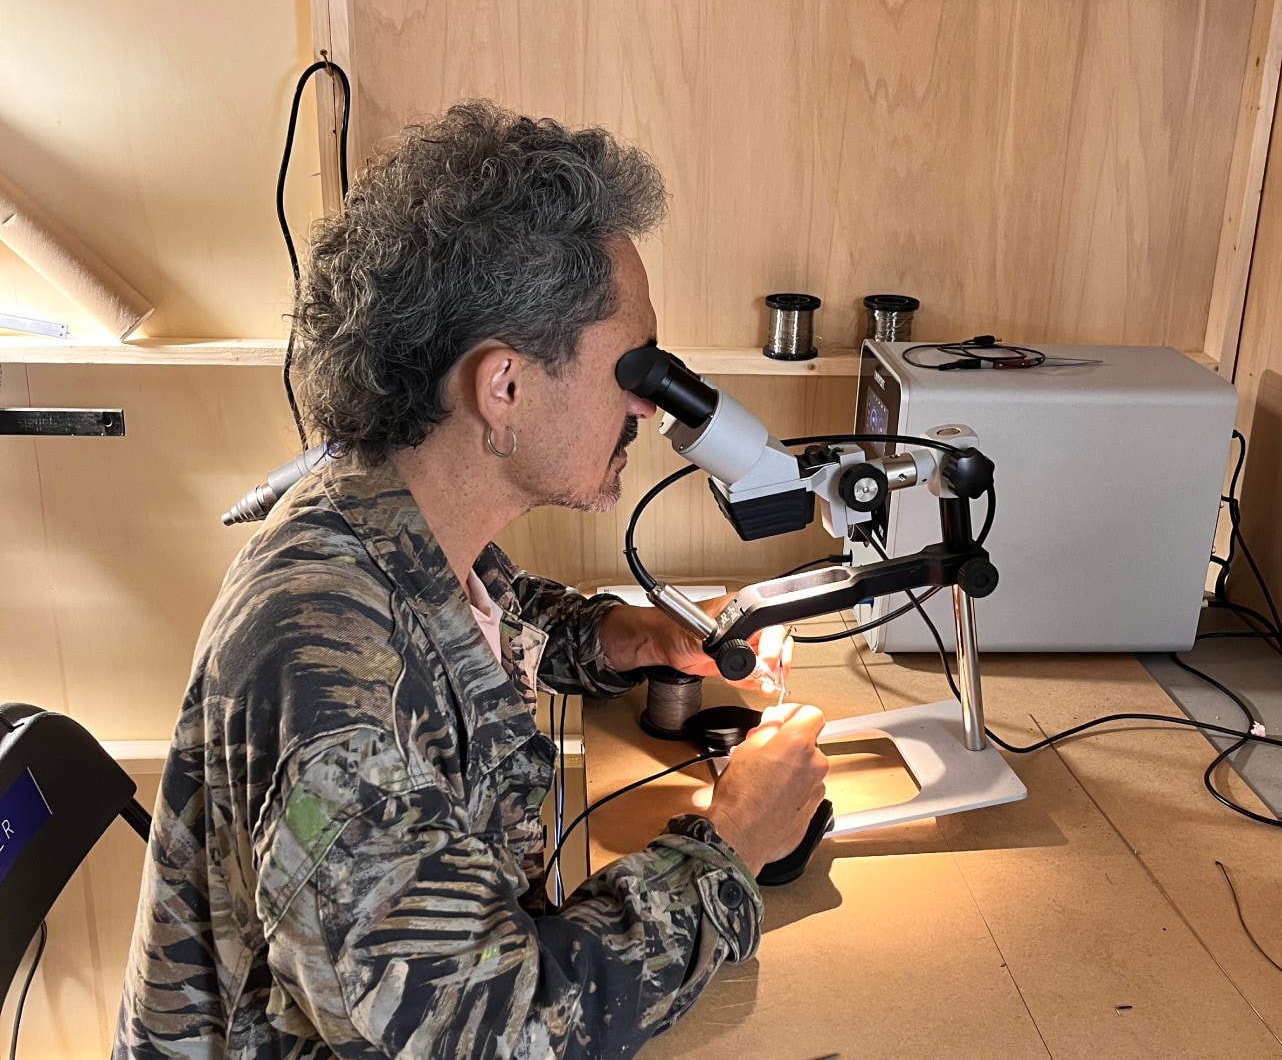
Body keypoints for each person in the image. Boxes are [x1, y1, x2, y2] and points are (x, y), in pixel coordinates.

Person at [113, 100, 829, 1059]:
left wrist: (606, 636)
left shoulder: (378, 506)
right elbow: (489, 1028)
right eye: (636, 368)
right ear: (504, 388)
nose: (648, 408)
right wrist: (730, 842)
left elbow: (466, 618)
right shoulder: (336, 695)